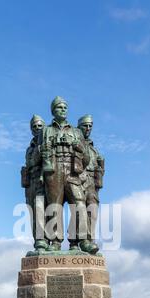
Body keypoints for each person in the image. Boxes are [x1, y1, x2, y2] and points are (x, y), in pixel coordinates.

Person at [39, 97, 98, 254]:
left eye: (65, 107)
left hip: (72, 172)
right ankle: (55, 241)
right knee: (54, 207)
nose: (63, 109)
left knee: (79, 203)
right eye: (59, 107)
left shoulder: (76, 132)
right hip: (53, 170)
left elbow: (86, 158)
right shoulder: (46, 131)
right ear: (53, 111)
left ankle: (83, 240)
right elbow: (38, 159)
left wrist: (78, 147)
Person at [21, 115, 48, 251]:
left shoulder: (49, 143)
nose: (37, 129)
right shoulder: (30, 148)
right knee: (35, 213)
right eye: (34, 127)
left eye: (39, 126)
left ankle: (46, 241)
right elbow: (30, 163)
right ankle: (39, 241)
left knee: (49, 212)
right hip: (33, 181)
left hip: (47, 182)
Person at [78, 115, 105, 254]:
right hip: (79, 180)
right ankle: (80, 241)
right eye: (85, 125)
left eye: (90, 126)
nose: (88, 128)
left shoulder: (94, 150)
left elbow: (99, 171)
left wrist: (101, 167)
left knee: (92, 212)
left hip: (92, 184)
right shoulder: (76, 143)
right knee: (79, 211)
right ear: (79, 127)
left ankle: (90, 240)